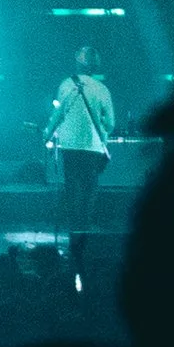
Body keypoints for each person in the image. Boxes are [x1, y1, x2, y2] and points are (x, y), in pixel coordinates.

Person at [44, 45, 116, 237]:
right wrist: (101, 129)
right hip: (92, 147)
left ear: (78, 63)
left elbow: (58, 115)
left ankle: (74, 228)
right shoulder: (102, 90)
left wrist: (47, 134)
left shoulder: (66, 85)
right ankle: (85, 228)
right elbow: (110, 123)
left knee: (72, 187)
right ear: (95, 65)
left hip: (69, 145)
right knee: (89, 189)